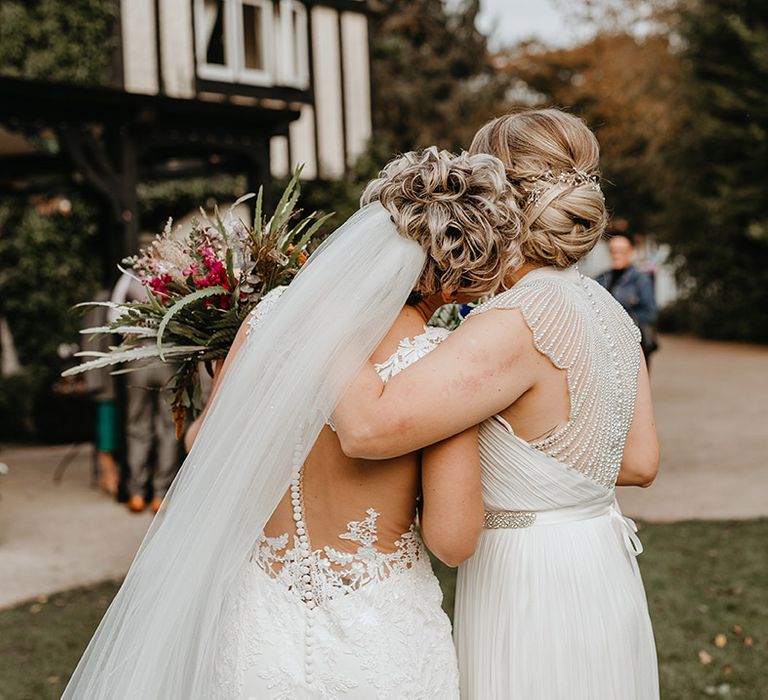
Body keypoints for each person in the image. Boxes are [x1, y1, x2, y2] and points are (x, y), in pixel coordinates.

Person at [61, 148, 522, 699]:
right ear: (456, 277)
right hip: (377, 636)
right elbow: (452, 540)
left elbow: (201, 442)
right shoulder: (439, 363)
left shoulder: (271, 316)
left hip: (257, 624)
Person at [332, 109, 660, 699]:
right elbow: (638, 462)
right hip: (602, 562)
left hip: (533, 582)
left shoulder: (511, 321)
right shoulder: (611, 312)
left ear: (498, 196)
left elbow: (367, 429)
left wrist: (318, 318)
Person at [110, 271, 179, 514]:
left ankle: (137, 492)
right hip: (167, 358)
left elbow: (113, 316)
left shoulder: (129, 279)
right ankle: (161, 494)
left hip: (137, 358)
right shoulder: (174, 276)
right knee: (168, 426)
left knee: (137, 425)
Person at [596, 231, 659, 363]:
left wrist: (619, 319)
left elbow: (650, 313)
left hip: (633, 345)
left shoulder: (641, 280)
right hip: (605, 345)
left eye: (621, 250)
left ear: (631, 252)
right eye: (613, 250)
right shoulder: (601, 279)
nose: (617, 254)